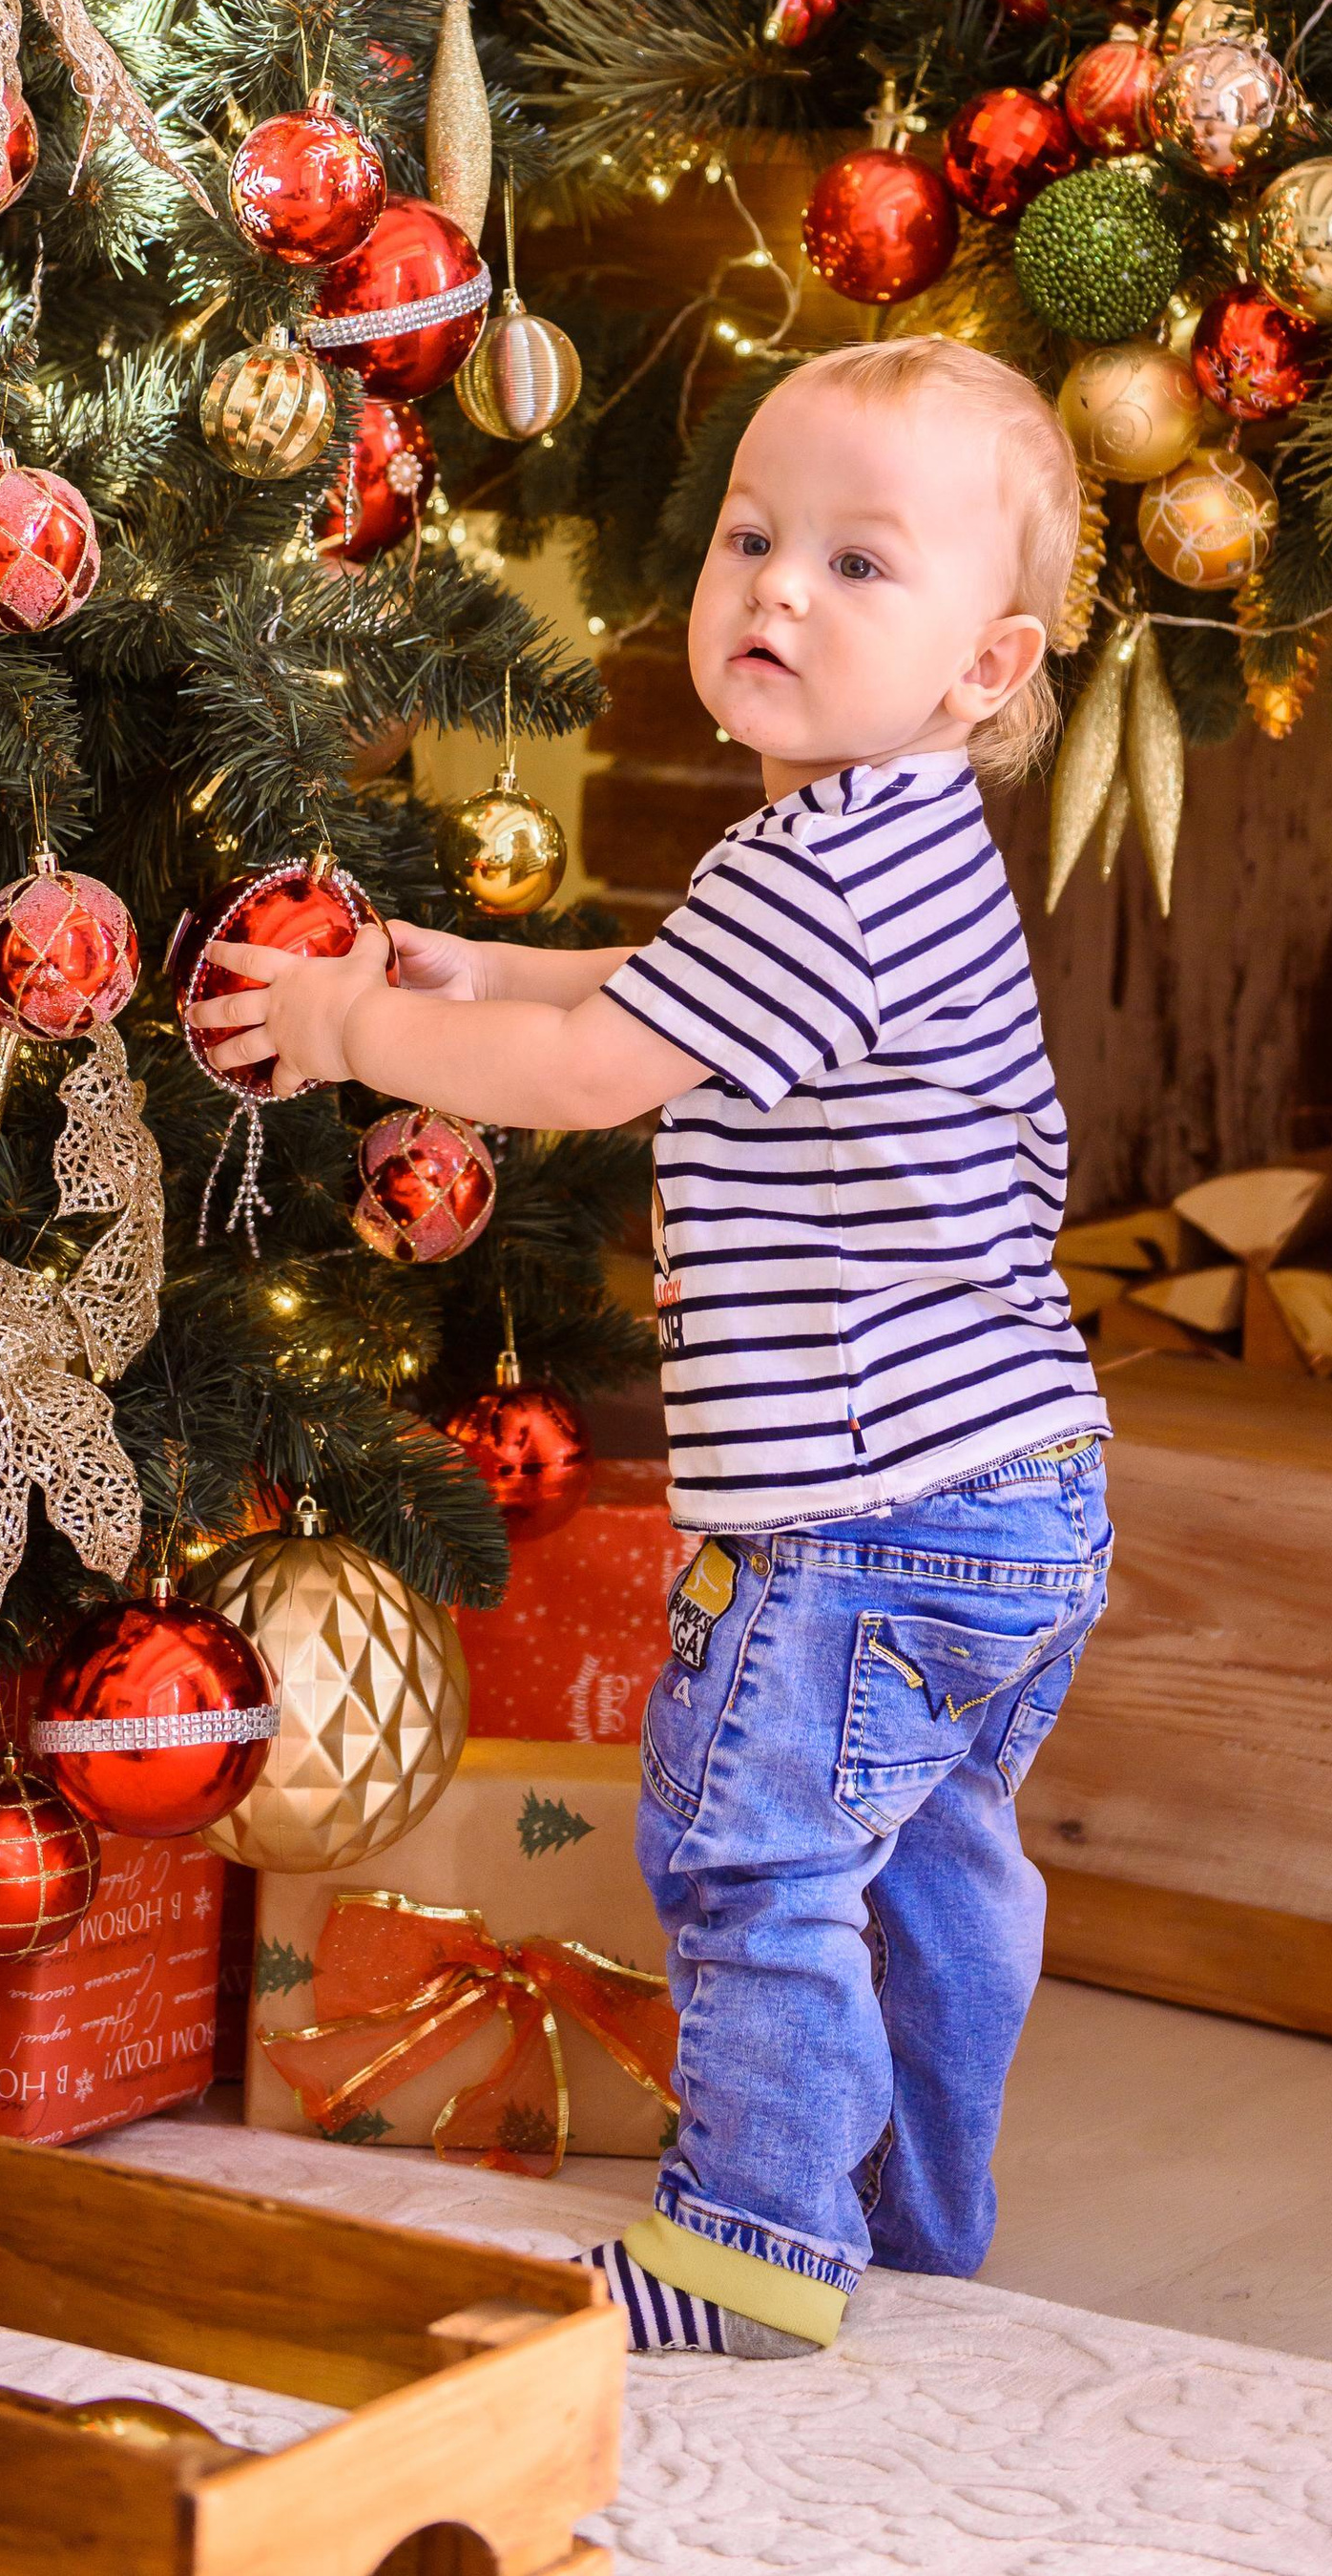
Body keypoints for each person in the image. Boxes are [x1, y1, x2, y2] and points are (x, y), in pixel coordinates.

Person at [213, 333, 1111, 2360]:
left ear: (987, 664)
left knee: (755, 1847)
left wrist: (361, 1030)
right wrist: (488, 962)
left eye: (858, 564)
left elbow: (608, 1067)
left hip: (859, 1507)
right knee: (929, 1869)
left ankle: (753, 2246)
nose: (774, 587)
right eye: (748, 537)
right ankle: (911, 2207)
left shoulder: (826, 868)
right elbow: (657, 985)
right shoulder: (869, 846)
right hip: (1020, 1488)